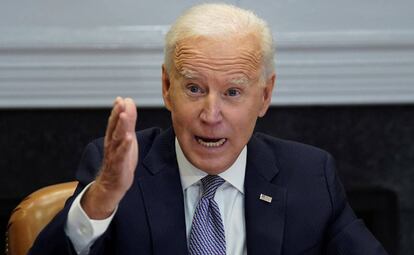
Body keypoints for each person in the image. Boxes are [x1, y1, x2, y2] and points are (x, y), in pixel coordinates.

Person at [29, 3, 388, 255]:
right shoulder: (118, 173)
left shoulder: (309, 175)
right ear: (167, 87)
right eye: (195, 89)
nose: (211, 114)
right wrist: (102, 199)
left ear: (264, 96)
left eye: (233, 92)